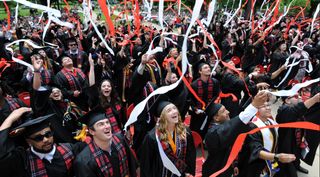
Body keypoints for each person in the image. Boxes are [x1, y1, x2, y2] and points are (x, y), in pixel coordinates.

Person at [0, 108, 85, 177]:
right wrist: (10, 119)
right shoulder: (23, 161)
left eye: (48, 134)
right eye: (38, 138)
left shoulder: (70, 149)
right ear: (28, 141)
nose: (45, 140)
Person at [202, 91, 269, 177]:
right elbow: (234, 125)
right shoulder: (212, 134)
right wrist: (254, 106)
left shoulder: (224, 126)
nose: (228, 112)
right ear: (216, 118)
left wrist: (234, 164)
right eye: (223, 111)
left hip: (227, 168)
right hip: (215, 171)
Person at [238, 100, 297, 177]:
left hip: (270, 160)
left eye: (268, 105)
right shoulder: (252, 127)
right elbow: (256, 150)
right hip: (255, 164)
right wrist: (276, 157)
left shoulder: (271, 122)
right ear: (256, 110)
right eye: (264, 106)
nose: (268, 108)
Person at [73, 109, 139, 177]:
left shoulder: (120, 140)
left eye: (107, 122)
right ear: (92, 131)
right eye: (101, 124)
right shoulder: (84, 162)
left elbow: (132, 166)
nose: (107, 126)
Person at [139, 100, 196, 177]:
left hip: (180, 174)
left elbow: (190, 156)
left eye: (174, 108)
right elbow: (146, 165)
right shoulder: (152, 138)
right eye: (169, 110)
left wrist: (189, 172)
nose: (174, 111)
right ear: (162, 117)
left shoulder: (185, 132)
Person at [275, 91, 320, 177]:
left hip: (297, 142)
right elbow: (296, 111)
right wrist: (314, 99)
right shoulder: (283, 111)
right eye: (295, 96)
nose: (299, 97)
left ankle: (297, 165)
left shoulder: (300, 111)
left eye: (299, 96)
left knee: (297, 155)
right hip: (287, 148)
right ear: (287, 100)